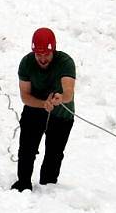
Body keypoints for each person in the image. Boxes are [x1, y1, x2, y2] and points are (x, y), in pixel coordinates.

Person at [11, 27, 76, 192]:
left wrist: (60, 98)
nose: (42, 58)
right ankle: (23, 184)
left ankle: (48, 188)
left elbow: (68, 90)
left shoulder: (65, 62)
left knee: (54, 154)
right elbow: (25, 96)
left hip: (61, 112)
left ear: (53, 49)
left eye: (46, 54)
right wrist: (42, 104)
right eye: (38, 54)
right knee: (27, 150)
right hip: (35, 109)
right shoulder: (26, 63)